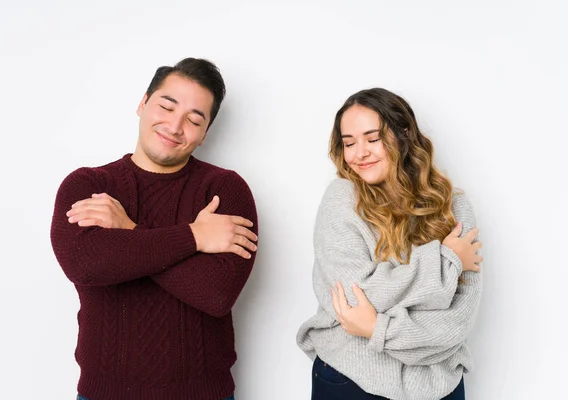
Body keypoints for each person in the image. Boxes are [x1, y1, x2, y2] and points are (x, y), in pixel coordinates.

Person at [50, 58, 258, 400]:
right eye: (166, 106)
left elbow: (215, 294)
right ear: (142, 104)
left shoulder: (224, 190)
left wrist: (128, 230)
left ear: (205, 134)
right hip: (105, 394)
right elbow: (86, 265)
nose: (175, 127)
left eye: (194, 119)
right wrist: (195, 236)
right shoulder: (89, 185)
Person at [297, 88, 483, 400]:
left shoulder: (453, 205)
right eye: (349, 143)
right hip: (352, 378)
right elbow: (358, 297)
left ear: (404, 135)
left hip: (439, 383)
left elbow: (459, 317)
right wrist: (447, 259)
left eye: (373, 138)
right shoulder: (341, 200)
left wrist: (377, 328)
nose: (360, 153)